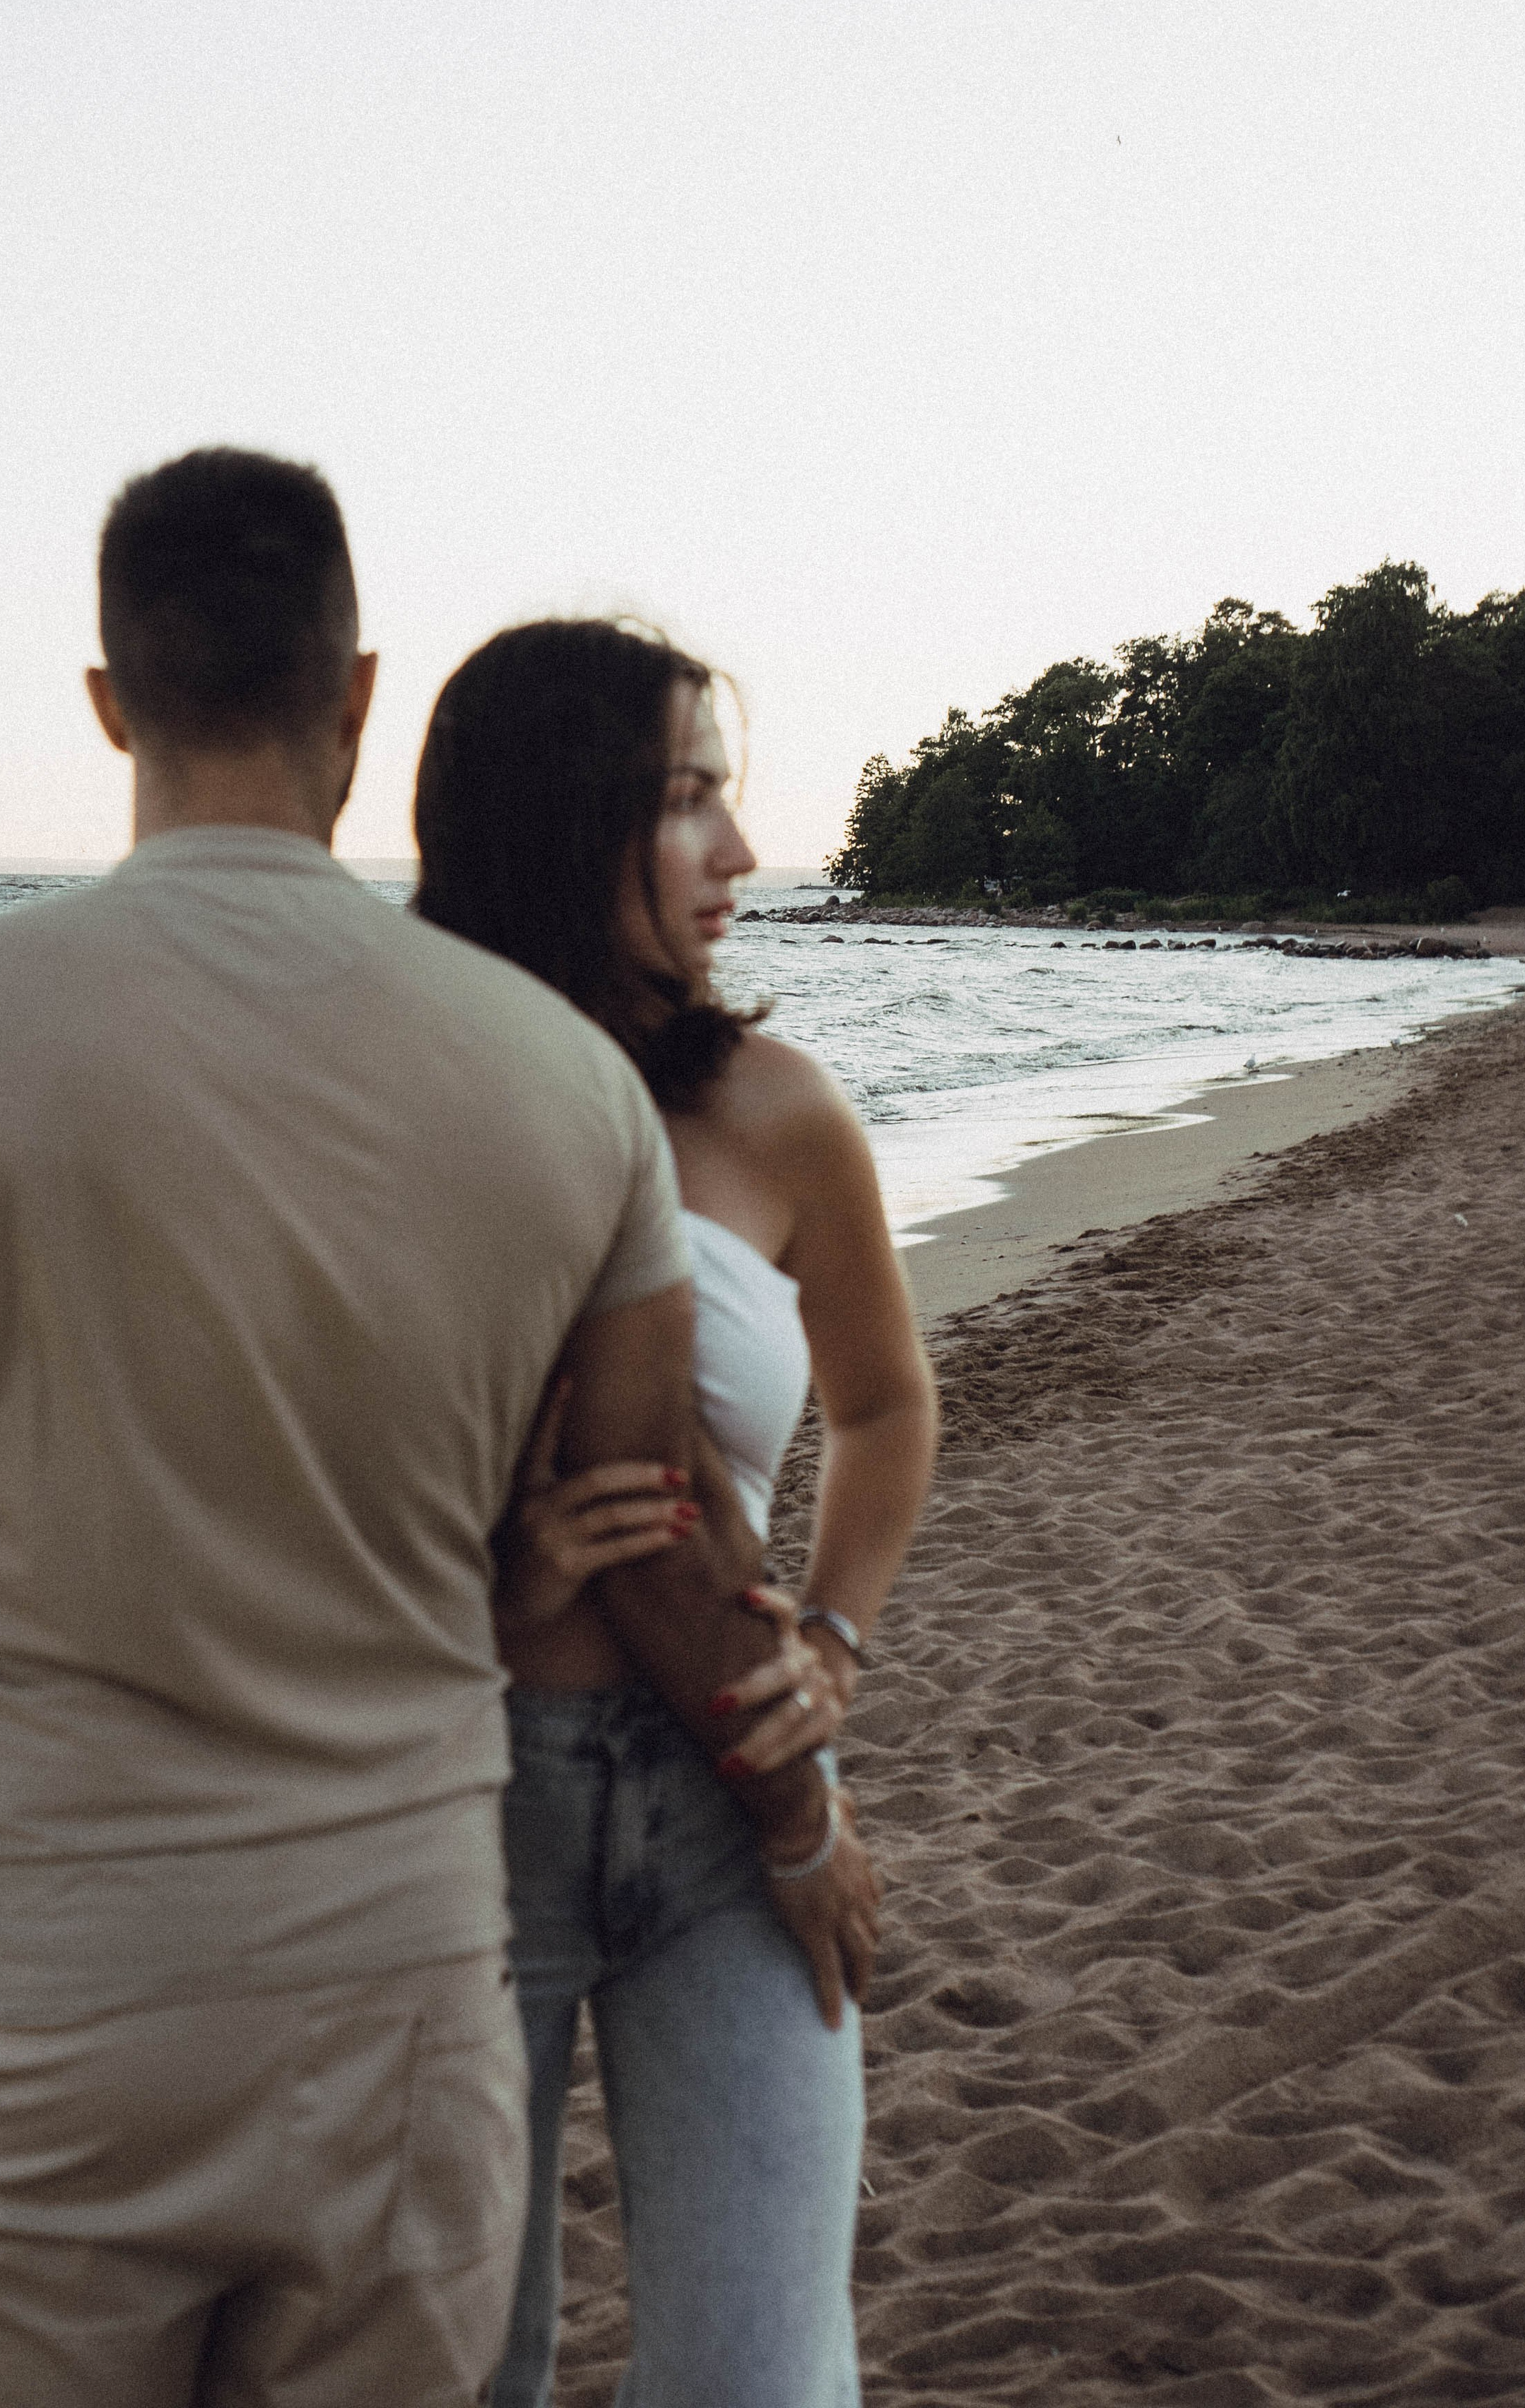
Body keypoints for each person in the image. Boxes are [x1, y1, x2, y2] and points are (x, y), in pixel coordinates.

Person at [0, 452, 819, 2408]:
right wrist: (798, 1795)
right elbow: (656, 1504)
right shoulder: (566, 1095)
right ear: (355, 695)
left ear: (108, 701)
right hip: (399, 1998)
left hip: (37, 1993)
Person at [414, 619, 938, 2408]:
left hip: (731, 1807)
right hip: (448, 1809)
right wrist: (477, 1593)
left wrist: (839, 1639)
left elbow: (882, 1405)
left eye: (732, 799)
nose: (741, 855)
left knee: (763, 2380)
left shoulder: (777, 1115)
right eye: (687, 804)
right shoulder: (397, 1116)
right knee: (456, 2373)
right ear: (562, 824)